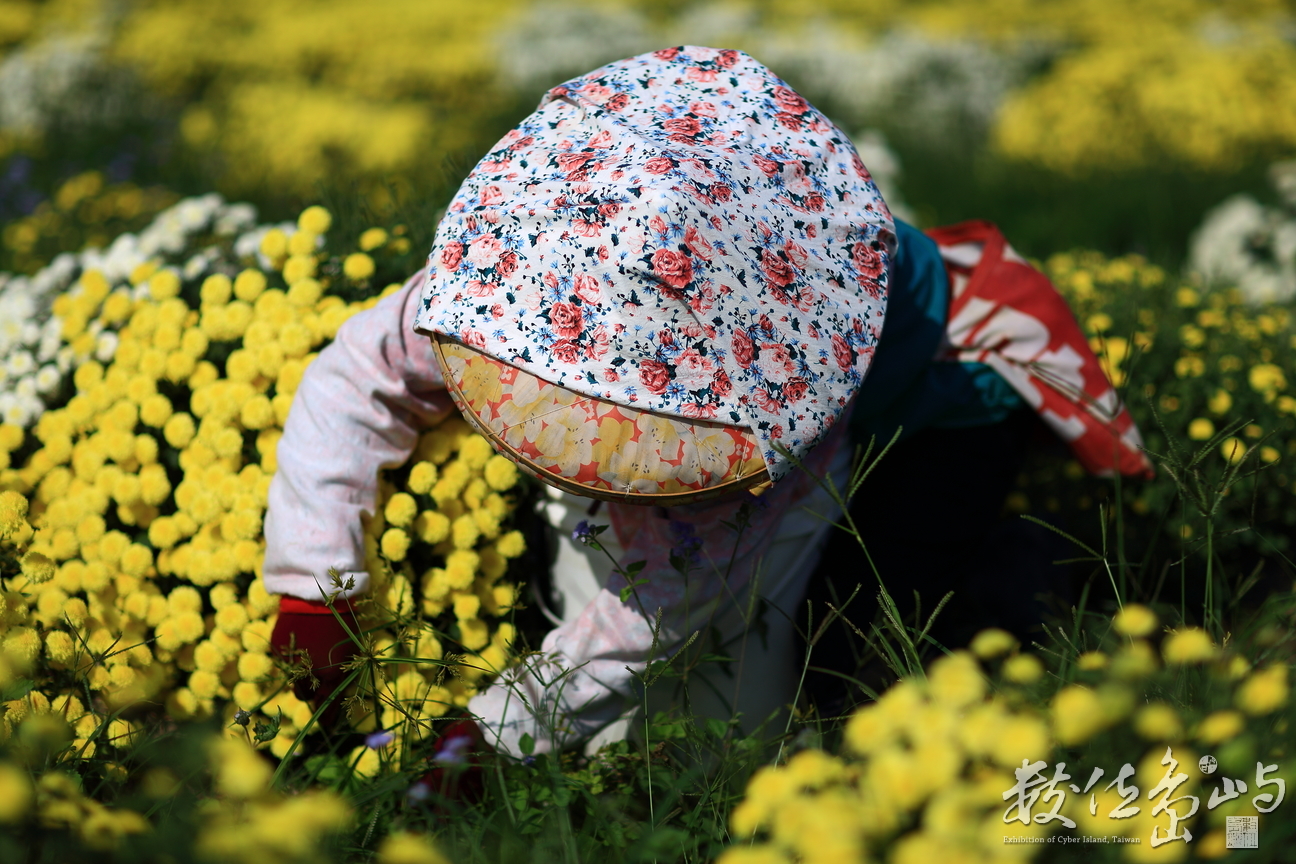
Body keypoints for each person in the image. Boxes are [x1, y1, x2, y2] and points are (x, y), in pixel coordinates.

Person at [262, 46, 1151, 759]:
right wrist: (315, 589)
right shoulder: (507, 270)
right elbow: (353, 383)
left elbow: (659, 611)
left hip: (943, 394)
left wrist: (478, 746)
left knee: (852, 636)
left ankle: (1015, 591)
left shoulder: (762, 405)